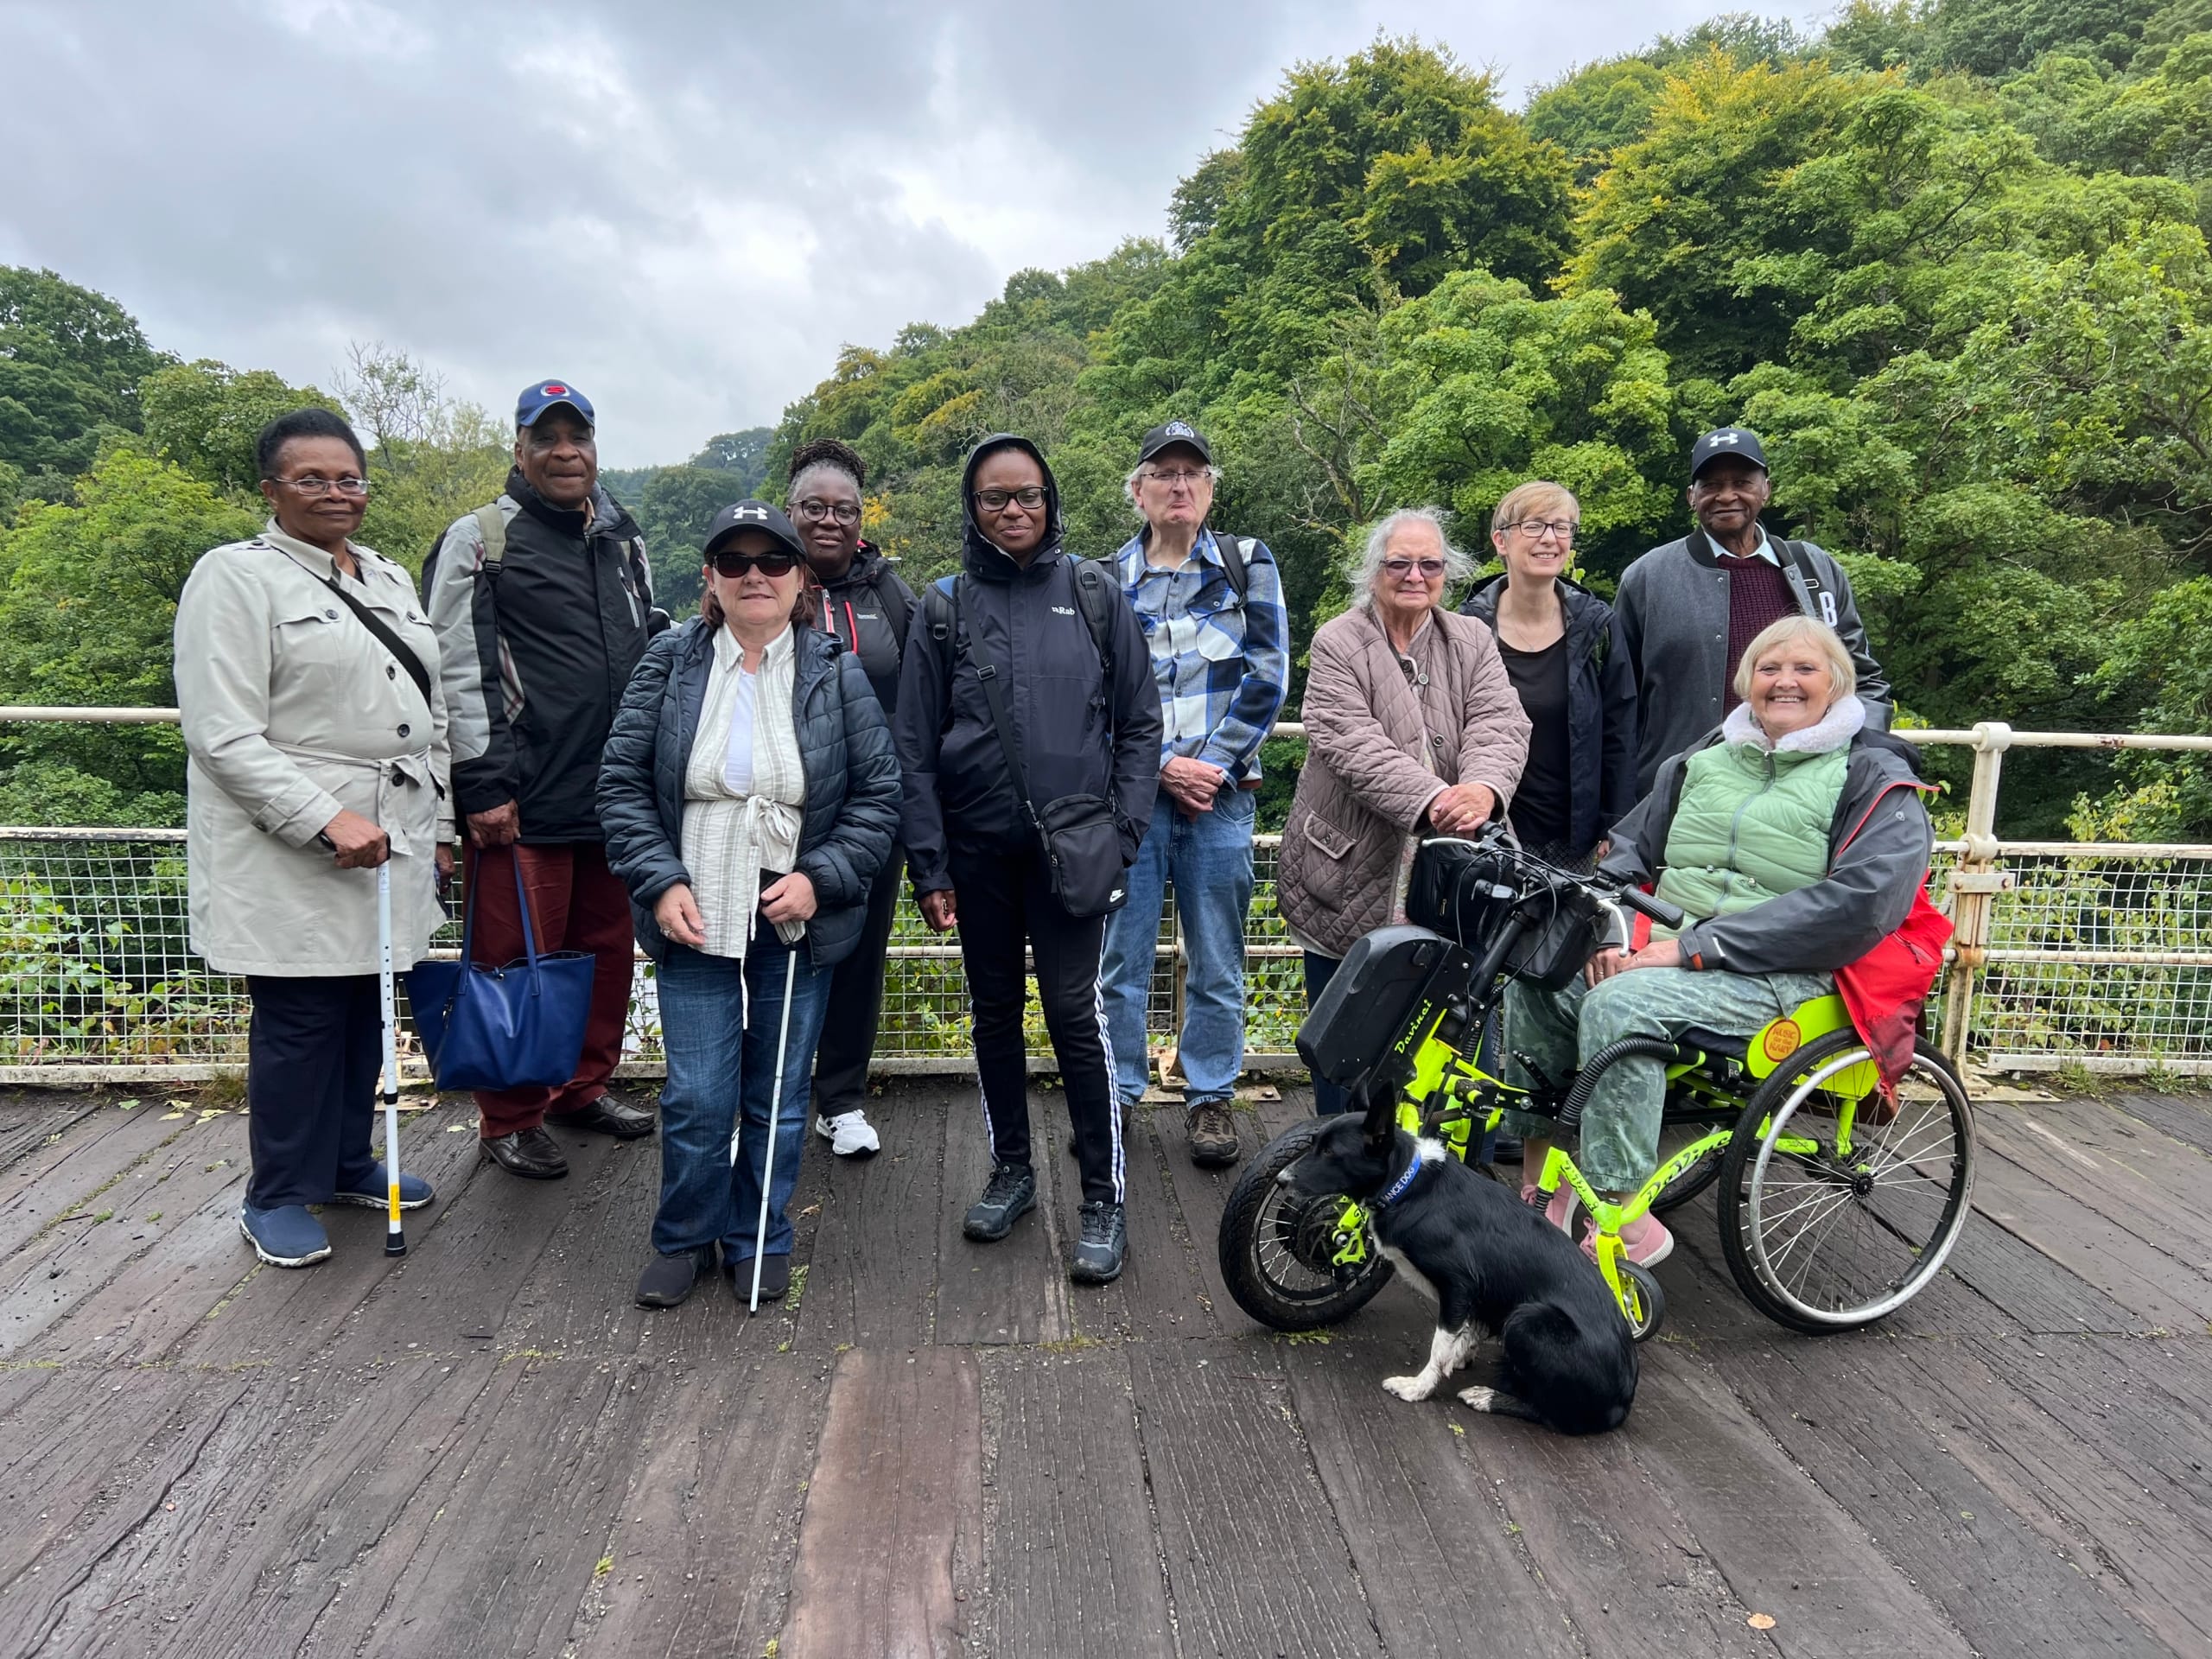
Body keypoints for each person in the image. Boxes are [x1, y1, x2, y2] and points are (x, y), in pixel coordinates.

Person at [1503, 617, 1933, 1268]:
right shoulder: (1705, 759)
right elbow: (1626, 852)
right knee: (1540, 975)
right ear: (1745, 683)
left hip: (1786, 974)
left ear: (1837, 684)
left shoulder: (1872, 775)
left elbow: (1861, 905)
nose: (1784, 681)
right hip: (1670, 953)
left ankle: (1624, 1222)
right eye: (1768, 669)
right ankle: (1545, 1188)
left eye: (1805, 669)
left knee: (1624, 1008)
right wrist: (1605, 927)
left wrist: (1691, 948)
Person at [597, 501, 899, 1308]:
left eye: (772, 561)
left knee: (777, 1090)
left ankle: (758, 1237)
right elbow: (621, 783)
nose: (754, 575)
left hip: (793, 920)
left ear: (800, 579)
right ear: (711, 578)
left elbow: (879, 793)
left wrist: (823, 875)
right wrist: (659, 880)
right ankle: (684, 1235)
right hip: (693, 912)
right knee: (696, 1093)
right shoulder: (669, 663)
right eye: (735, 562)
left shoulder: (834, 671)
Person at [175, 408, 450, 1268]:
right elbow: (220, 732)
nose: (336, 492)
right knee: (298, 1019)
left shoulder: (388, 577)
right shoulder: (235, 579)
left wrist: (438, 824)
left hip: (391, 837)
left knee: (362, 1013)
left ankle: (344, 1162)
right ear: (270, 490)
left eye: (348, 477)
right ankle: (277, 1193)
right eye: (311, 478)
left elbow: (428, 714)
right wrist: (322, 818)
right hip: (293, 848)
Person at [894, 433, 1163, 1286]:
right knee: (994, 1014)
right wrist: (929, 866)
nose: (1013, 511)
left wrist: (1122, 831)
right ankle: (1012, 1169)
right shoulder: (943, 606)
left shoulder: (1091, 593)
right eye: (994, 499)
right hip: (977, 854)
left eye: (1028, 496)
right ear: (970, 510)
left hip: (1074, 852)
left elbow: (1139, 722)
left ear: (1050, 500)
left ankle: (1102, 1197)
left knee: (1076, 1019)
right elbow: (913, 750)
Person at [423, 380, 664, 1181]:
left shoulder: (622, 538)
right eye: (547, 437)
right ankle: (511, 1117)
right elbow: (455, 666)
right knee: (514, 960)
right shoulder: (482, 539)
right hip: (521, 797)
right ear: (519, 450)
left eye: (579, 436)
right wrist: (482, 784)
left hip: (617, 794)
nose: (567, 452)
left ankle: (581, 1087)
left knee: (604, 954)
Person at [1279, 508, 1530, 1115]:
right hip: (1347, 869)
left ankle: (1450, 1174)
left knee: (1457, 1029)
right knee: (1347, 1030)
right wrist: (1434, 799)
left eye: (1430, 564)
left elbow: (1502, 721)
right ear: (1373, 572)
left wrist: (1484, 789)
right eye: (1399, 562)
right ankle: (1338, 1171)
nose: (1415, 575)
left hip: (1455, 870)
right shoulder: (1339, 640)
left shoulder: (1470, 638)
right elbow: (1344, 737)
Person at [1099, 421, 1290, 1169]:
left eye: (1194, 473)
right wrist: (1158, 769)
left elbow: (1269, 676)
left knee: (1217, 958)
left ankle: (1210, 1096)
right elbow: (1096, 697)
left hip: (1224, 797)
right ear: (1139, 490)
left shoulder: (1248, 566)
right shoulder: (1103, 581)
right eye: (1164, 473)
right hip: (1133, 804)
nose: (1180, 485)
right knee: (1123, 957)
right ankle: (1116, 1093)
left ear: (1209, 488)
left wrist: (1206, 765)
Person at [1617, 426, 1891, 796]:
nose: (1727, 495)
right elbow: (1617, 702)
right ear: (1691, 496)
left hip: (1806, 790)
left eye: (1742, 482)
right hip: (1685, 788)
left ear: (1765, 490)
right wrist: (1618, 810)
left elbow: (1864, 680)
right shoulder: (1648, 578)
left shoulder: (1815, 569)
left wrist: (1859, 757)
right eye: (1711, 485)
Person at [785, 437, 917, 1160]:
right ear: (790, 511)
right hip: (777, 811)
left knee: (860, 956)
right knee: (771, 952)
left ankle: (840, 1100)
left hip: (871, 813)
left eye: (845, 509)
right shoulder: (761, 575)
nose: (829, 520)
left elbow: (923, 701)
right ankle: (764, 1097)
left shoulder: (890, 595)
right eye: (815, 507)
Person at [1459, 481, 1637, 871]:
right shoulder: (1466, 629)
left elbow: (1619, 733)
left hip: (1574, 842)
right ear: (1501, 541)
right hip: (1488, 835)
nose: (1550, 539)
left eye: (1562, 527)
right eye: (1534, 525)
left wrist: (1616, 826)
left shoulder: (1597, 627)